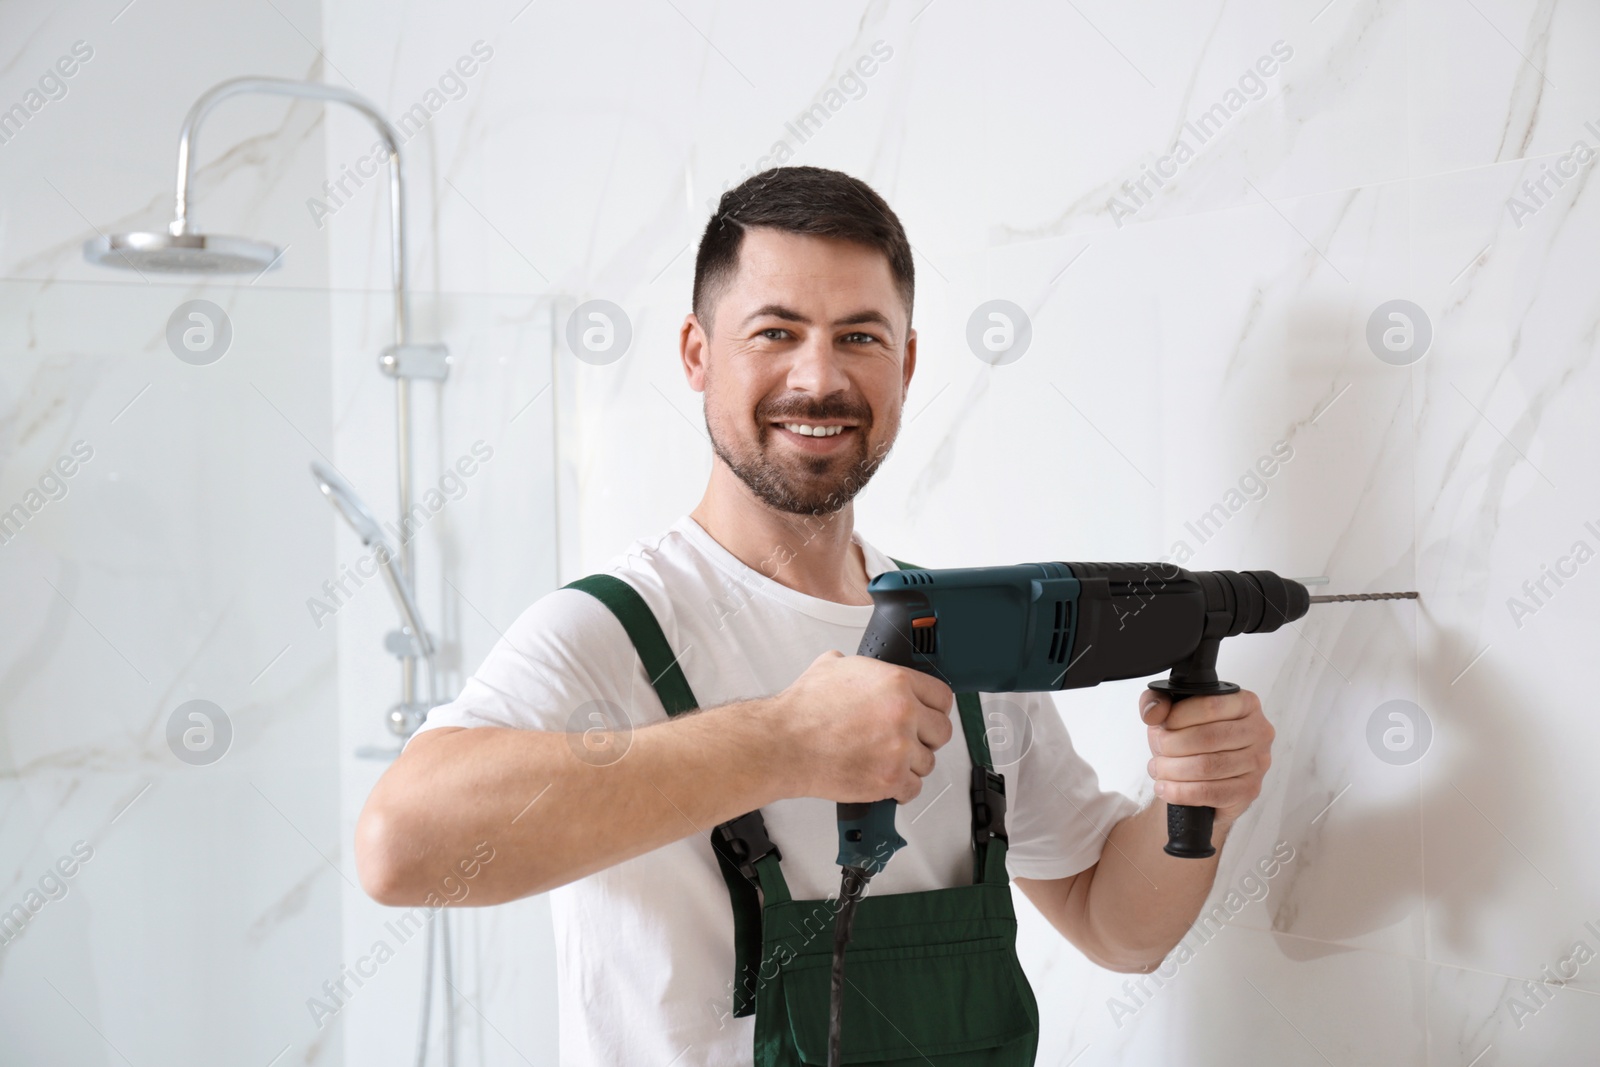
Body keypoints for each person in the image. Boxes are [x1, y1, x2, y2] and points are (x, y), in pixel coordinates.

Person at [355, 165, 1276, 1066]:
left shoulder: (963, 627)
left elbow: (1113, 923)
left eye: (861, 337)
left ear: (907, 365)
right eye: (775, 330)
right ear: (696, 354)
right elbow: (402, 848)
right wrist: (784, 742)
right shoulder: (611, 632)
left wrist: (1194, 803)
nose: (818, 377)